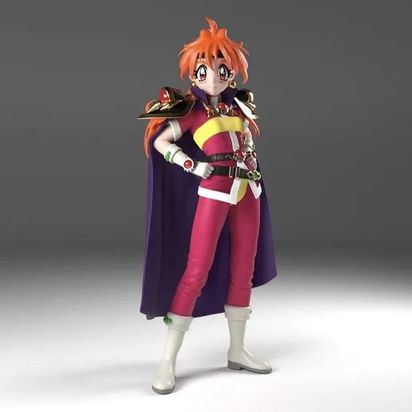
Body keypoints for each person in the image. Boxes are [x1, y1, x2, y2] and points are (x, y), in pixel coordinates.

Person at [138, 17, 278, 394]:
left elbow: (247, 145)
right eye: (204, 70)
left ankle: (237, 349)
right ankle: (167, 360)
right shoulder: (191, 110)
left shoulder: (239, 108)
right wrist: (190, 164)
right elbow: (160, 142)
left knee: (243, 268)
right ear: (193, 73)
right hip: (214, 189)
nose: (213, 78)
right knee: (196, 270)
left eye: (222, 69)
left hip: (248, 191)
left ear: (232, 72)